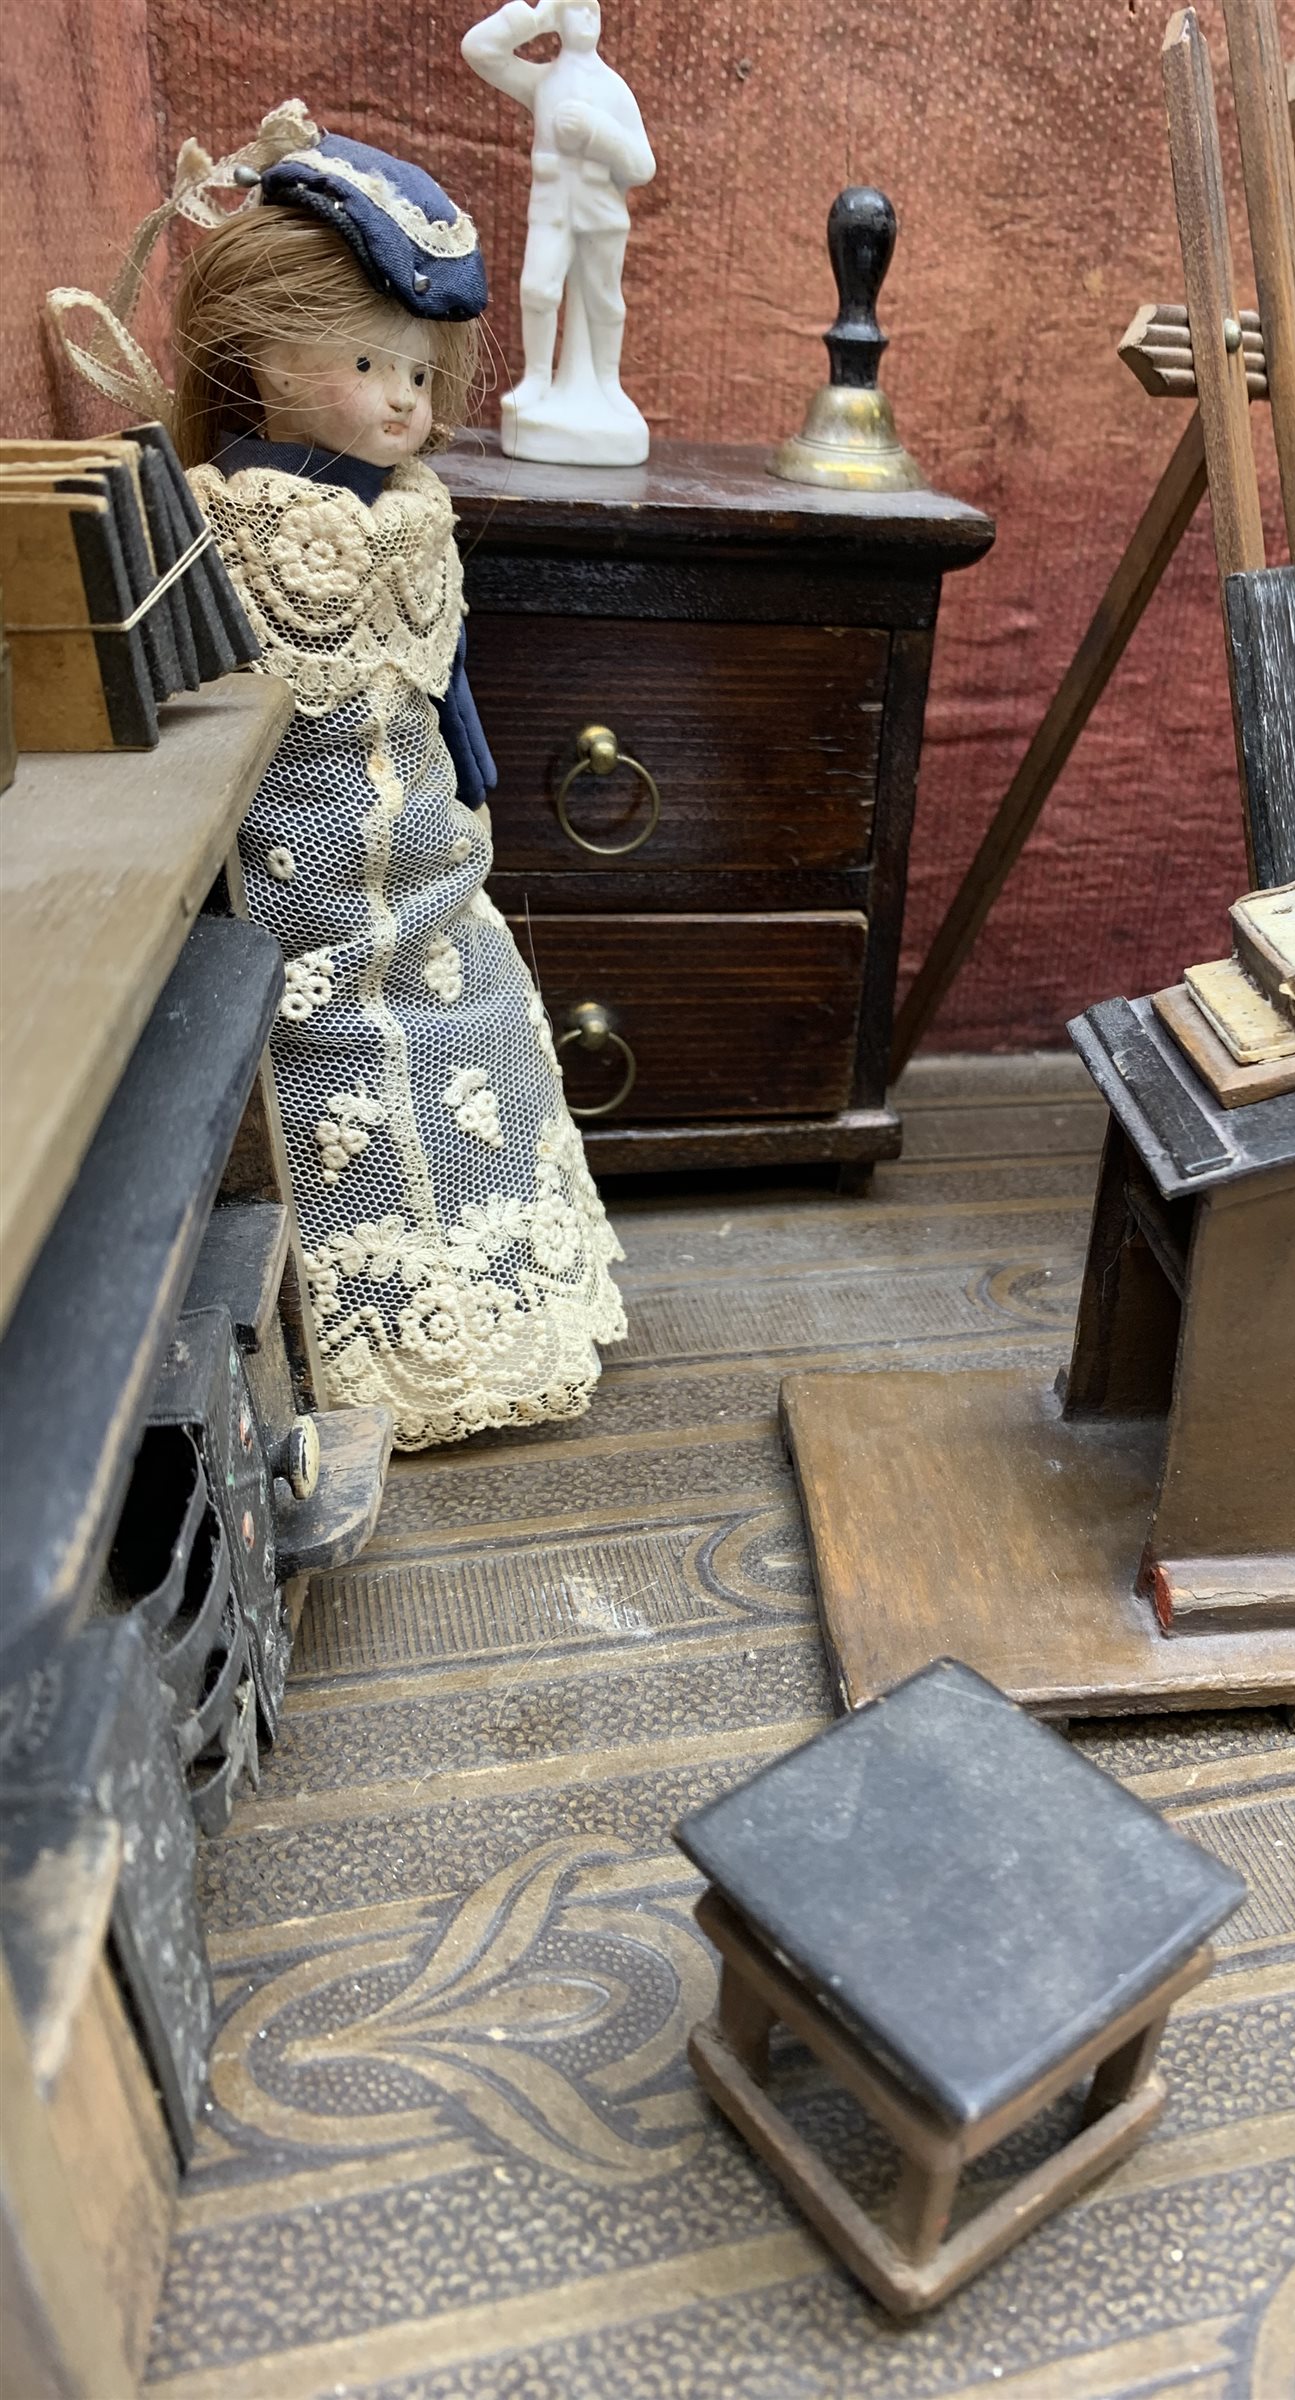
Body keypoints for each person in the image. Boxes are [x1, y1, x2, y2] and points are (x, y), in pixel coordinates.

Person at [162, 121, 629, 1448]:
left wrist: (475, 778)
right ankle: (372, 1347)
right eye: (369, 365)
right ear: (264, 355)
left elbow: (447, 669)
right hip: (297, 895)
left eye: (417, 373)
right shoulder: (228, 515)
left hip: (430, 874)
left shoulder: (414, 506)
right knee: (329, 1077)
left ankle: (499, 1317)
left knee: (490, 1030)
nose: (400, 401)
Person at [462, 0, 656, 463]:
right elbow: (480, 51)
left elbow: (643, 166)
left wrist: (597, 133)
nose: (587, 17)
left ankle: (608, 386)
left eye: (592, 9)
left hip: (601, 210)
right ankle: (537, 381)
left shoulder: (614, 88)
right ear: (558, 18)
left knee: (604, 299)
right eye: (574, 9)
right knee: (537, 289)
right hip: (551, 208)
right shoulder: (543, 80)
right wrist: (527, 20)